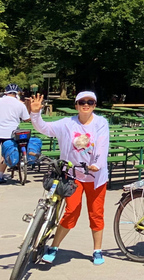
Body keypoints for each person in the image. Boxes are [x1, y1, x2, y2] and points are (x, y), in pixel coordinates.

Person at [28, 91, 109, 266]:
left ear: (94, 105)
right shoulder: (67, 124)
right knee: (71, 211)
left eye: (90, 102)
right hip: (72, 175)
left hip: (95, 176)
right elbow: (45, 129)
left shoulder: (101, 123)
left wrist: (97, 164)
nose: (86, 105)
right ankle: (54, 247)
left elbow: (102, 144)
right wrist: (35, 113)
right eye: (82, 102)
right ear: (76, 105)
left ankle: (97, 250)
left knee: (96, 214)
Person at [0, 83, 31, 182]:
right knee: (7, 153)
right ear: (16, 92)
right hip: (11, 133)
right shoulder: (19, 104)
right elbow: (26, 119)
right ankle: (0, 175)